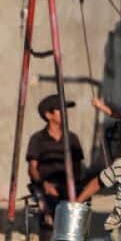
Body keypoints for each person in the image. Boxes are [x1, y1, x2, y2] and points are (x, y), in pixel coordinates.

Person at [26, 94, 85, 227]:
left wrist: (73, 185)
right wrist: (44, 184)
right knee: (50, 200)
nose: (65, 114)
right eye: (61, 110)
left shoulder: (72, 138)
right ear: (49, 115)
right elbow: (32, 168)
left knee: (80, 197)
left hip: (68, 183)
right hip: (45, 184)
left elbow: (77, 166)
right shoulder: (37, 139)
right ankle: (49, 231)